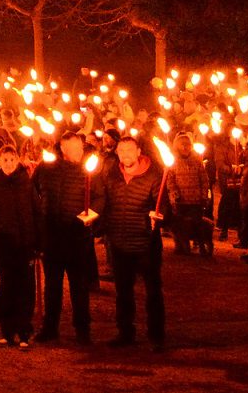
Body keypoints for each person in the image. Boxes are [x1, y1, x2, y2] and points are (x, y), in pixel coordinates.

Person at [95, 135, 164, 350]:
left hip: (146, 243)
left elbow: (163, 205)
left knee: (153, 291)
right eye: (121, 150)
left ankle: (156, 335)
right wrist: (96, 222)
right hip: (119, 242)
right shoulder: (111, 175)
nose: (125, 154)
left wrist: (159, 216)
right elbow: (106, 204)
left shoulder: (153, 175)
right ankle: (125, 332)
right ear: (117, 153)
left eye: (129, 150)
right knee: (123, 292)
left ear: (138, 152)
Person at [31, 133, 93, 345]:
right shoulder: (46, 168)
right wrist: (41, 215)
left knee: (79, 286)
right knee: (52, 285)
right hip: (52, 237)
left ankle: (82, 329)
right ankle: (50, 327)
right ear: (64, 149)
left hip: (77, 237)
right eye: (76, 148)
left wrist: (92, 214)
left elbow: (99, 196)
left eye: (81, 148)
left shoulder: (88, 170)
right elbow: (32, 191)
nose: (81, 152)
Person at [0, 143, 37, 347]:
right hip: (4, 245)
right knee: (6, 286)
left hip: (24, 245)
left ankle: (23, 330)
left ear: (18, 161)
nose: (9, 163)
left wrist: (36, 241)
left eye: (12, 159)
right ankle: (7, 329)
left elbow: (36, 211)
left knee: (25, 287)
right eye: (5, 160)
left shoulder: (26, 184)